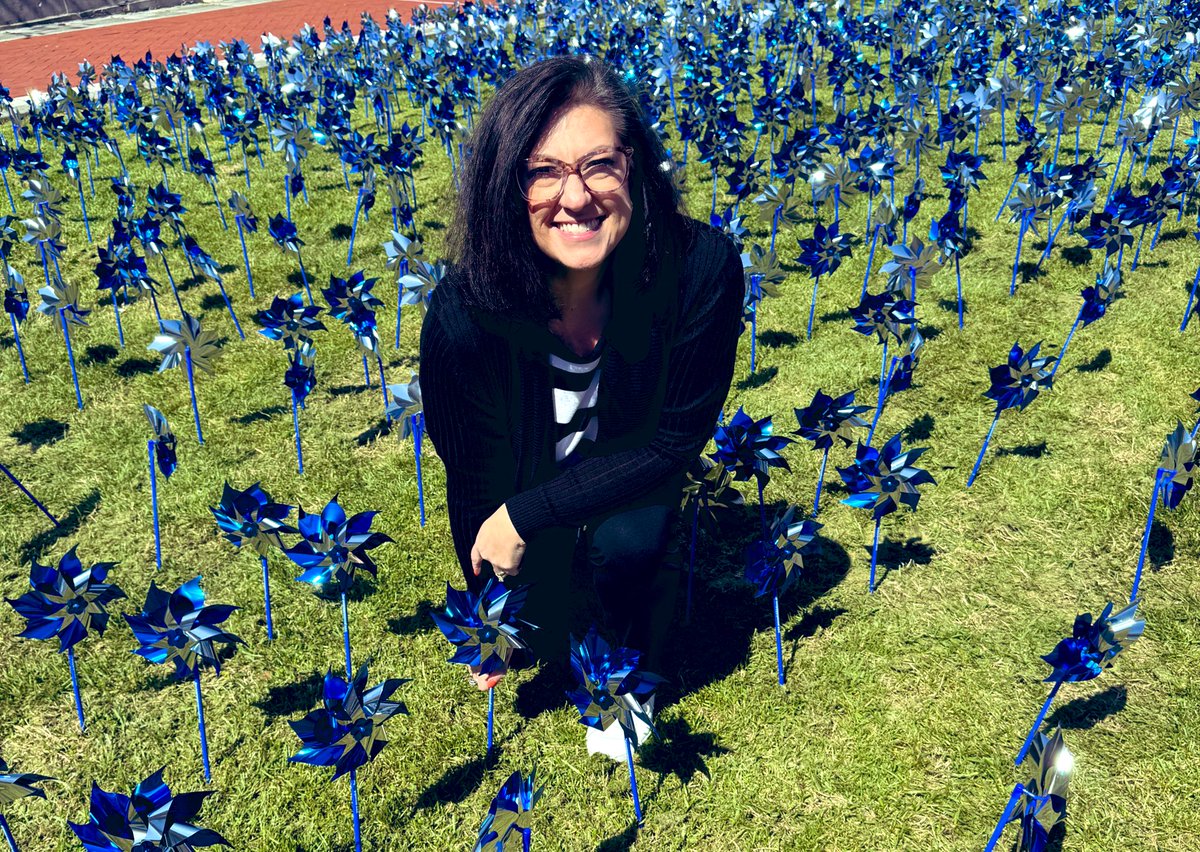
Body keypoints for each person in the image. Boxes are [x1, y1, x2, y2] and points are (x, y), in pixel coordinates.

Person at [421, 56, 743, 711]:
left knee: (627, 546)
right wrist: (492, 617)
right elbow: (475, 477)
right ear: (506, 187)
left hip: (632, 455)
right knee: (533, 621)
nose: (576, 197)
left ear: (636, 166)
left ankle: (628, 686)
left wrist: (524, 516)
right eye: (543, 171)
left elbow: (671, 440)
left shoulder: (699, 270)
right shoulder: (462, 321)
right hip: (525, 473)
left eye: (599, 164)